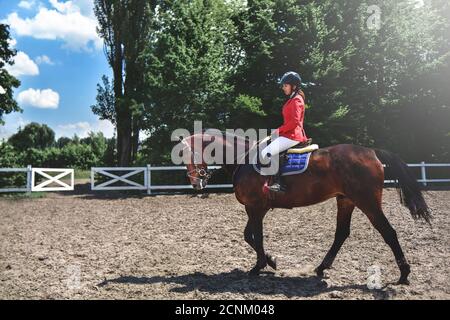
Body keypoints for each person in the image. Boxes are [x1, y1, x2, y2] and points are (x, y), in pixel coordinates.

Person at [260, 71, 308, 192]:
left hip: (293, 136)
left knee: (266, 152)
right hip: (288, 134)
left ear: (294, 86)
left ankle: (278, 183)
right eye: (283, 86)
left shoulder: (297, 100)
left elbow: (294, 122)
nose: (283, 88)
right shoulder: (290, 100)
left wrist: (277, 131)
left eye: (285, 85)